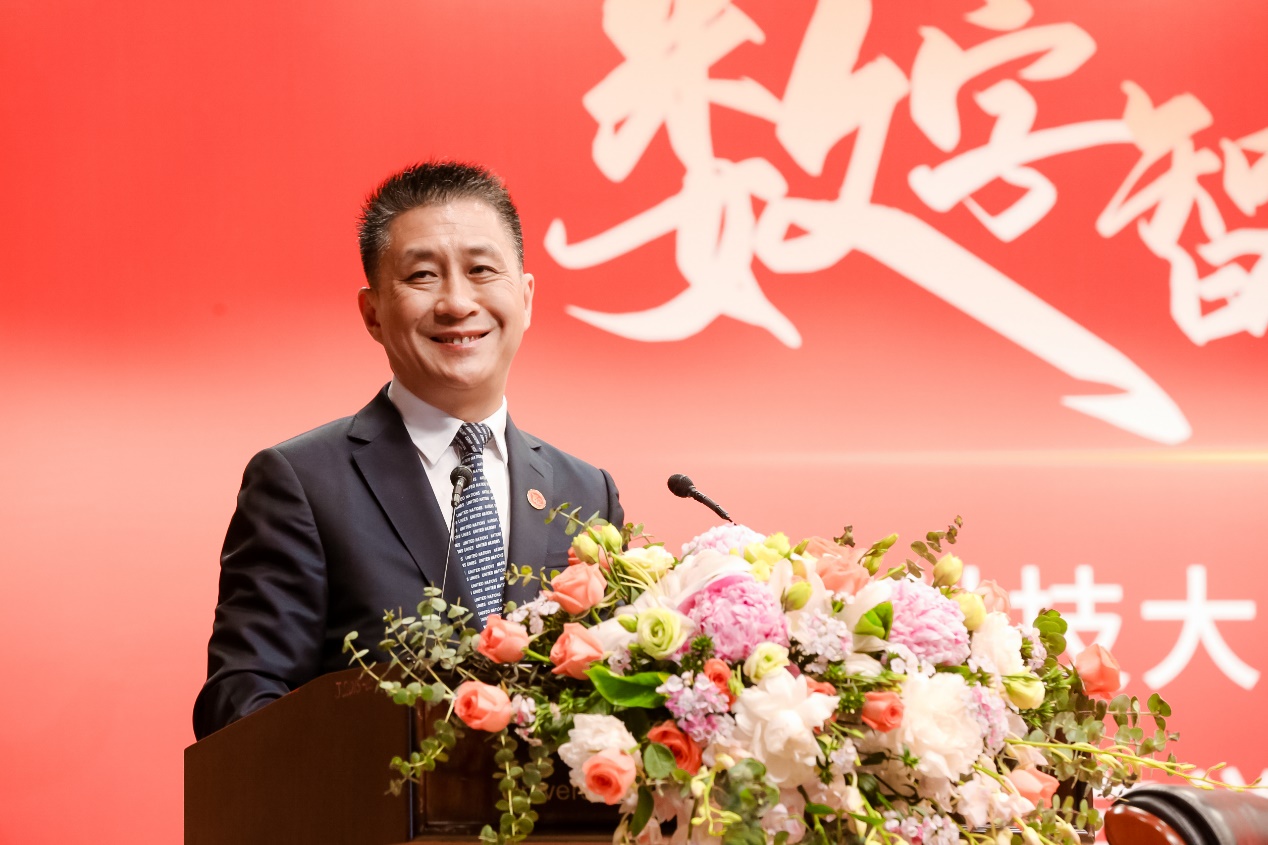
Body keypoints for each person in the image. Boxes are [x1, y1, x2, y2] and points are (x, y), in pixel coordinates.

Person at [193, 161, 623, 740]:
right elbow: (241, 703)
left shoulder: (587, 492)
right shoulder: (303, 483)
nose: (457, 302)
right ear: (372, 313)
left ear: (525, 298)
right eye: (423, 276)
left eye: (481, 270)